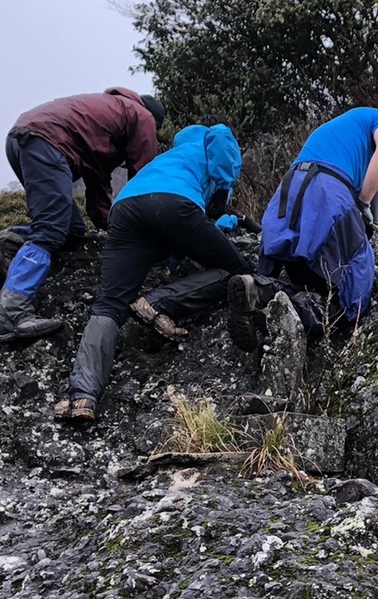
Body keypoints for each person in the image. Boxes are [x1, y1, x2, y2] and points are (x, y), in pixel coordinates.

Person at [54, 122, 251, 424]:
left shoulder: (167, 159)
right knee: (237, 271)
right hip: (174, 203)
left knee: (109, 304)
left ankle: (82, 395)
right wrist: (223, 195)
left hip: (126, 208)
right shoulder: (209, 142)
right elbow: (222, 134)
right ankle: (158, 303)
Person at [0, 89, 165, 345]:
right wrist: (145, 230)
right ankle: (13, 314)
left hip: (22, 139)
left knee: (72, 230)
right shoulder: (141, 115)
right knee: (51, 229)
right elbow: (145, 178)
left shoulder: (108, 117)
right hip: (47, 141)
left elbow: (98, 193)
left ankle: (3, 244)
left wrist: (112, 226)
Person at [228, 107, 378, 353]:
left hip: (290, 189)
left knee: (304, 275)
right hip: (328, 191)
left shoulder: (339, 132)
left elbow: (371, 194)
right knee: (353, 300)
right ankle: (291, 315)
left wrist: (374, 219)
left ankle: (259, 290)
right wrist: (362, 204)